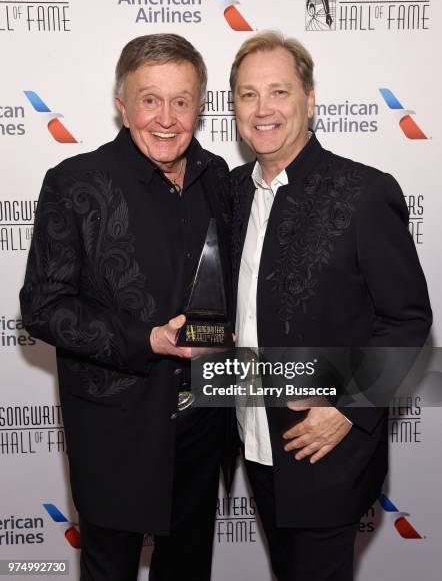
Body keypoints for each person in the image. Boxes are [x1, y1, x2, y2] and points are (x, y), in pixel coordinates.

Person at [20, 33, 231, 581]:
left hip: (203, 424)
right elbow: (43, 306)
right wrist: (150, 339)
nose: (166, 118)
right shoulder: (75, 183)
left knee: (187, 570)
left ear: (201, 106)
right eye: (150, 99)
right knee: (109, 569)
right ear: (122, 105)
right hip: (116, 428)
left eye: (181, 101)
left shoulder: (224, 184)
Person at [229, 31, 432, 580]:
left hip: (326, 449)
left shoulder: (363, 192)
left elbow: (408, 318)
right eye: (248, 95)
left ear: (310, 100)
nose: (263, 109)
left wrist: (347, 407)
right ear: (233, 108)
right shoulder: (231, 194)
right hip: (254, 436)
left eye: (279, 91)